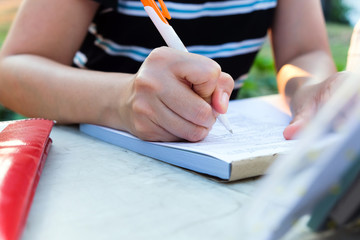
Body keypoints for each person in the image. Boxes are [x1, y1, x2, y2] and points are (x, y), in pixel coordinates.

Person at [0, 0, 339, 142]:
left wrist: (315, 90)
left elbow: (304, 52)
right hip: (97, 159)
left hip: (211, 156)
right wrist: (121, 99)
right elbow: (13, 69)